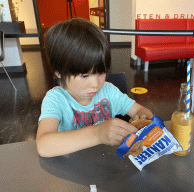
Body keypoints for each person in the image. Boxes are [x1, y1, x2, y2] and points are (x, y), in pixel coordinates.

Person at [36, 18, 153, 158]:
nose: (96, 84)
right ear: (59, 72)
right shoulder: (55, 99)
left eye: (101, 72)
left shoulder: (109, 91)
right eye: (85, 76)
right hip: (71, 167)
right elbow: (43, 146)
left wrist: (143, 115)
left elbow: (140, 110)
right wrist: (98, 133)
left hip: (106, 162)